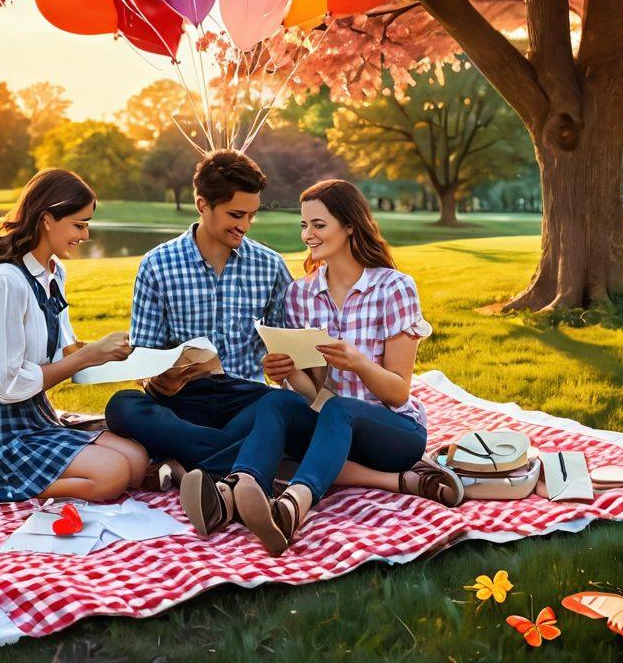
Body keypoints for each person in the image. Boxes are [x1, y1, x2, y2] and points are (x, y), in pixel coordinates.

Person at [179, 179, 463, 555]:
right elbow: (315, 397)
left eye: (318, 224)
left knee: (339, 409)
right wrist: (288, 373)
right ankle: (235, 492)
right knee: (276, 401)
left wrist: (358, 363)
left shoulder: (394, 288)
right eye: (304, 225)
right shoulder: (300, 295)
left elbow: (398, 393)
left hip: (393, 433)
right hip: (331, 430)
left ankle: (293, 506)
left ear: (350, 225)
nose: (307, 235)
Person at [0, 168, 149, 508]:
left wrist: (136, 361)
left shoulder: (54, 273)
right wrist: (88, 355)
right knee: (113, 475)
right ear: (47, 220)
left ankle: (66, 476)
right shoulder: (6, 280)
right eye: (79, 225)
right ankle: (3, 489)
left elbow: (69, 351)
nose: (85, 235)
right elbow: (7, 387)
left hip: (35, 413)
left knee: (137, 460)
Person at [104, 149, 294, 481]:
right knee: (122, 406)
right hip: (182, 401)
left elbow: (287, 347)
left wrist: (283, 362)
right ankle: (239, 457)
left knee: (289, 407)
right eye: (236, 214)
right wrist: (156, 377)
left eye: (252, 215)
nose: (245, 226)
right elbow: (144, 356)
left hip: (245, 398)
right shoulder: (157, 264)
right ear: (203, 204)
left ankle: (186, 461)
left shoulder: (271, 265)